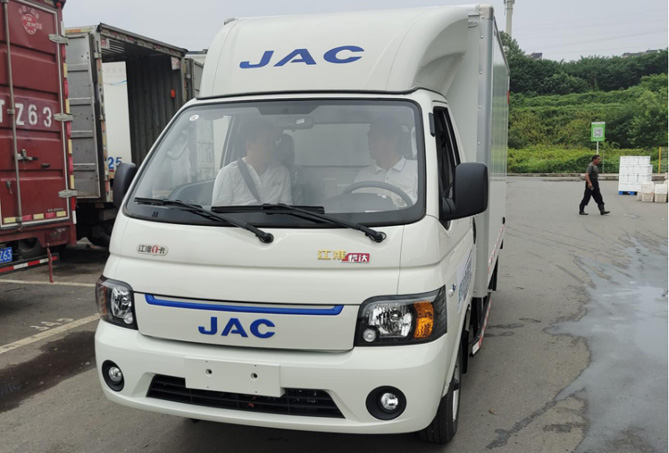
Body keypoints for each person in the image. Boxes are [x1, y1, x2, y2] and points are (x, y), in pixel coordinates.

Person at [212, 119, 292, 206]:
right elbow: (218, 211)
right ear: (249, 145)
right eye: (266, 144)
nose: (272, 148)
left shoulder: (282, 172)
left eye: (273, 143)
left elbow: (286, 208)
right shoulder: (228, 174)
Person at [354, 117, 418, 206]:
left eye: (375, 139)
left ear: (393, 140)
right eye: (369, 139)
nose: (369, 143)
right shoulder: (363, 175)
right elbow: (355, 206)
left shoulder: (416, 170)